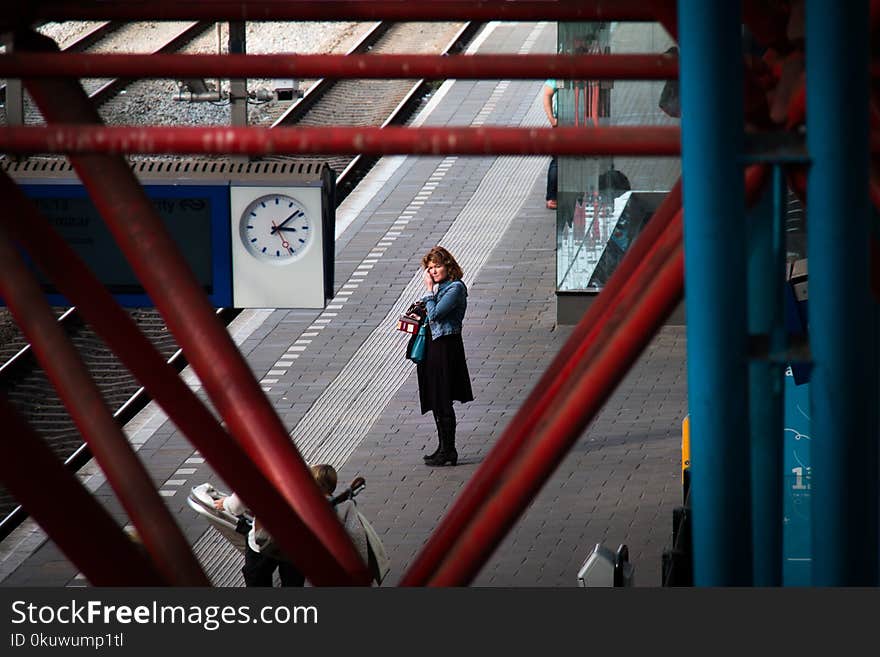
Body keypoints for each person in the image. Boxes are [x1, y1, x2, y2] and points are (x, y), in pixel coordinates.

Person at [416, 246, 474, 466]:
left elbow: (436, 314)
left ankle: (449, 450)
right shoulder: (439, 287)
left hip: (446, 347)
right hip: (433, 346)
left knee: (444, 397)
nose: (433, 271)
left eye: (437, 266)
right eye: (429, 268)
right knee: (436, 398)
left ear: (448, 266)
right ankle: (442, 447)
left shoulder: (455, 288)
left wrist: (429, 292)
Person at [214, 490, 304, 587]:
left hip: (266, 539)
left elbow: (236, 507)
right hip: (299, 543)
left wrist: (226, 503)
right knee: (293, 580)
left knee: (256, 576)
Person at [542, 78, 559, 210]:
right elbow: (547, 93)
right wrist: (552, 119)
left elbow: (547, 93)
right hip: (564, 121)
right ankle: (552, 197)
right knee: (558, 161)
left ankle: (552, 197)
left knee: (557, 161)